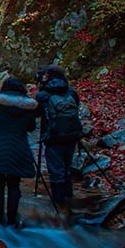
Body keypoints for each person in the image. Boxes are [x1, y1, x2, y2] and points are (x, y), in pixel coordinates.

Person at [0, 76, 38, 227]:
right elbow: (31, 127)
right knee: (14, 184)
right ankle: (11, 219)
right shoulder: (28, 106)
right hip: (18, 147)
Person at [36, 64, 84, 211]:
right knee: (67, 168)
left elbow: (38, 113)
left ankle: (59, 205)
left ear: (48, 76)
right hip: (72, 136)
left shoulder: (43, 95)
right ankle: (69, 199)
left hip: (54, 137)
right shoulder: (72, 92)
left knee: (56, 172)